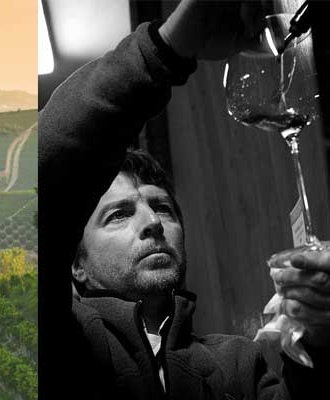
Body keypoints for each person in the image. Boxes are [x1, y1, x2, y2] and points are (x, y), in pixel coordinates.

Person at [40, 0, 330, 398]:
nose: (153, 222)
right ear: (77, 266)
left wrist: (320, 343)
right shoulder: (53, 341)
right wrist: (166, 47)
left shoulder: (239, 366)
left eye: (162, 207)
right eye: (119, 215)